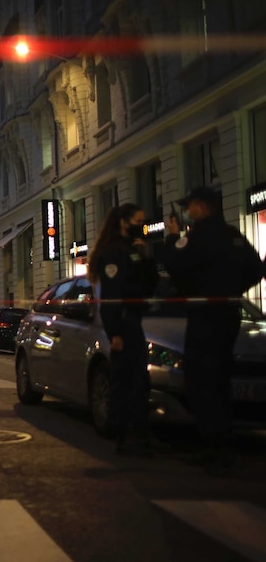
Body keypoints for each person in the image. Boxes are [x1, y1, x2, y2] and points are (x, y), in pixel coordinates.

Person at [164, 186, 263, 475]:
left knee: (200, 381)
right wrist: (231, 291)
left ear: (202, 207)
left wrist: (173, 236)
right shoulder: (232, 234)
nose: (187, 211)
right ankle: (224, 445)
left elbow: (172, 263)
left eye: (190, 206)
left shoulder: (198, 236)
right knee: (220, 380)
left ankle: (214, 447)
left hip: (204, 317)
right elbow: (256, 269)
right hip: (228, 315)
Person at [87, 203, 159, 456]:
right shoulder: (114, 253)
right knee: (126, 382)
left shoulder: (133, 249)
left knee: (140, 381)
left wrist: (147, 258)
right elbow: (111, 297)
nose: (143, 224)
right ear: (123, 222)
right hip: (124, 323)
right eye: (138, 220)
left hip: (135, 321)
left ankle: (139, 431)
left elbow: (150, 285)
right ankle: (125, 435)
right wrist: (114, 333)